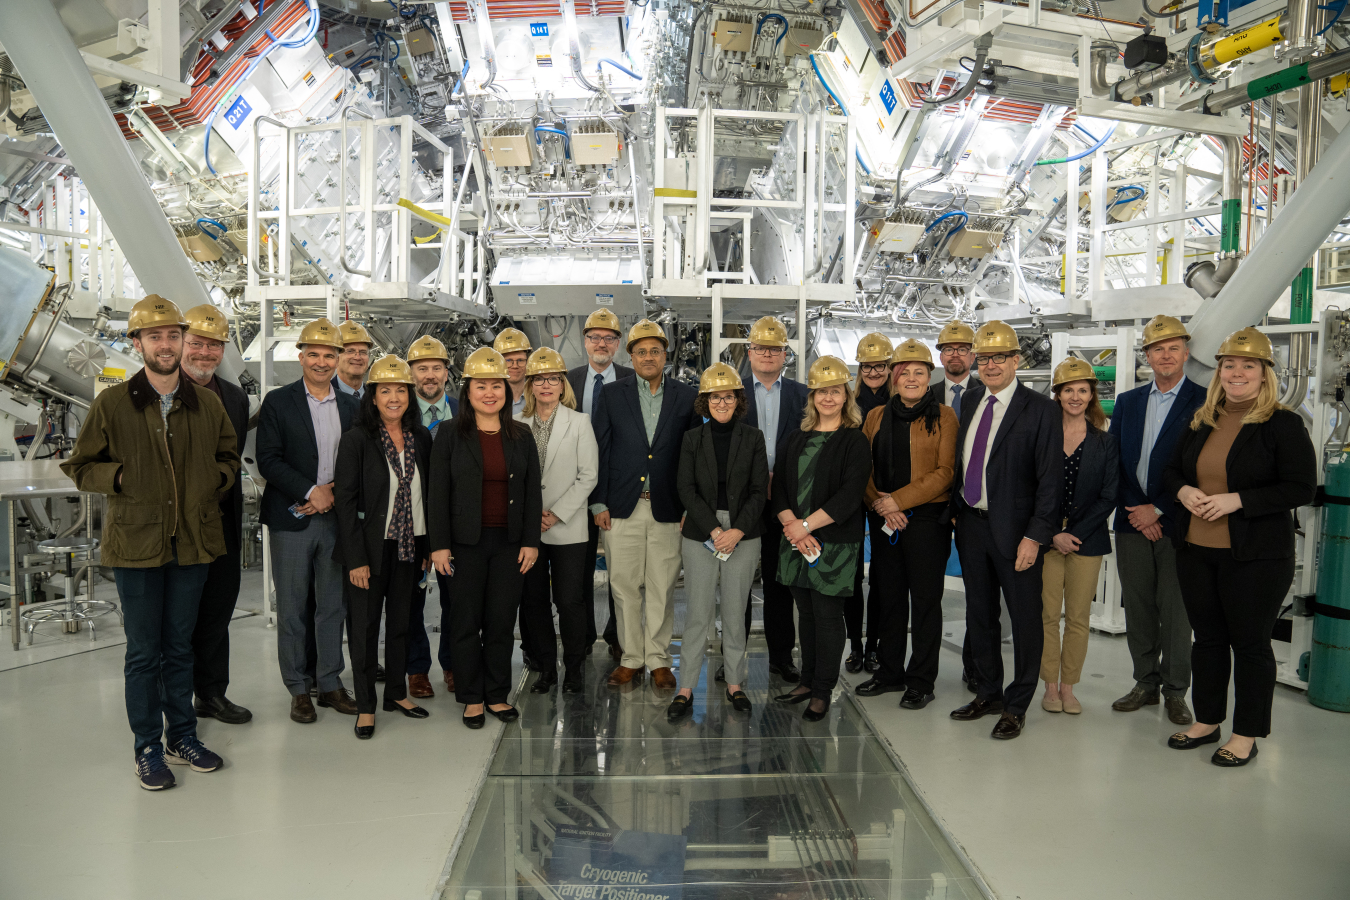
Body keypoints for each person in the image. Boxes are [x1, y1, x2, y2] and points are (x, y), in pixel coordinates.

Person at [62, 295, 239, 790]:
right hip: (137, 545)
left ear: (183, 342)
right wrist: (120, 478)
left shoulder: (205, 403)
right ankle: (145, 748)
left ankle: (181, 737)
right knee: (144, 652)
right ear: (136, 343)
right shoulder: (113, 402)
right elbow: (80, 466)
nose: (166, 344)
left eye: (173, 335)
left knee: (180, 647)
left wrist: (214, 481)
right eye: (155, 336)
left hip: (192, 545)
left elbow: (229, 456)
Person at [1162, 327, 1315, 767]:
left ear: (1266, 374)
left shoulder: (1282, 423)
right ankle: (1207, 721)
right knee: (1207, 640)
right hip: (1196, 548)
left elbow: (1301, 487)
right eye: (1229, 365)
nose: (1237, 372)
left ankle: (1246, 733)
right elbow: (1171, 471)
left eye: (1248, 365)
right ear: (1219, 372)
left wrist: (1239, 500)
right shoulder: (1203, 417)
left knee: (1249, 644)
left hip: (1255, 556)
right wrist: (1184, 492)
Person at [949, 321, 1061, 741]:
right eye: (984, 358)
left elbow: (1050, 482)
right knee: (979, 615)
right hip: (973, 528)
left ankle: (1017, 705)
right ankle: (989, 692)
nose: (991, 365)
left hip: (1017, 535)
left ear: (1017, 360)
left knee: (1025, 620)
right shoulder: (974, 398)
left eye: (1000, 357)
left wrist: (1035, 537)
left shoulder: (1041, 409)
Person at [428, 347, 542, 729]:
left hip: (509, 544)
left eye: (497, 385)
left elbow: (531, 493)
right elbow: (437, 492)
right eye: (481, 385)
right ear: (468, 390)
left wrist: (530, 541)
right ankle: (471, 697)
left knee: (499, 621)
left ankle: (496, 695)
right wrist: (439, 544)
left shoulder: (521, 435)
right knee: (464, 621)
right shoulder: (448, 434)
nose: (490, 392)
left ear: (507, 391)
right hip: (464, 545)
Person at [257, 318, 361, 724]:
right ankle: (298, 689)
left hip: (337, 519)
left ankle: (330, 682)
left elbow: (359, 461)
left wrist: (331, 492)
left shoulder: (352, 406)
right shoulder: (279, 402)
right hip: (293, 520)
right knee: (293, 607)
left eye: (329, 355)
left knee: (333, 606)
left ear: (339, 359)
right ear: (300, 356)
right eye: (314, 354)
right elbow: (269, 458)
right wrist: (310, 491)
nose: (321, 362)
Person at [591, 319, 699, 689]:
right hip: (622, 506)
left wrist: (690, 506)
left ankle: (658, 660)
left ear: (665, 355)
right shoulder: (612, 395)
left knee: (662, 587)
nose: (648, 357)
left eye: (655, 350)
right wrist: (598, 501)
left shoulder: (686, 397)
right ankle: (631, 658)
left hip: (668, 507)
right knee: (622, 586)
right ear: (630, 355)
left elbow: (693, 454)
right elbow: (601, 450)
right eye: (641, 351)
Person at [1109, 315, 1206, 725]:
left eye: (1172, 348)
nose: (1164, 355)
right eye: (1156, 349)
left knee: (1176, 610)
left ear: (1185, 353)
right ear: (1146, 356)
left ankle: (1175, 691)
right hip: (1132, 519)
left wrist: (1160, 509)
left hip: (1179, 521)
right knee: (1140, 608)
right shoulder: (1129, 402)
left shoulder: (1204, 401)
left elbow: (1201, 467)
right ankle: (1145, 683)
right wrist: (1137, 509)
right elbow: (1114, 461)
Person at [333, 356, 433, 739]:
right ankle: (366, 706)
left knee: (402, 624)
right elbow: (345, 501)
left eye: (401, 390)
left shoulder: (419, 438)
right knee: (364, 628)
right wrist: (356, 559)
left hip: (409, 546)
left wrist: (427, 544)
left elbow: (428, 495)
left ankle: (395, 694)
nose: (394, 398)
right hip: (369, 551)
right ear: (372, 397)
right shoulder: (357, 439)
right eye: (385, 390)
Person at [855, 340, 958, 710]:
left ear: (929, 377)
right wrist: (882, 505)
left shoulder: (944, 416)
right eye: (904, 372)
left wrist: (899, 500)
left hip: (927, 521)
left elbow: (946, 472)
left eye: (919, 372)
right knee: (890, 600)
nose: (911, 378)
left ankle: (921, 680)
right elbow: (861, 467)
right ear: (894, 379)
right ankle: (889, 672)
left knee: (926, 602)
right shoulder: (876, 416)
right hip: (884, 519)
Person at [771, 356, 872, 722]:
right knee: (807, 615)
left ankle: (823, 690)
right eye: (821, 392)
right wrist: (792, 527)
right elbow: (779, 487)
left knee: (829, 617)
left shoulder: (854, 442)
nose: (827, 398)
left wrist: (805, 527)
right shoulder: (796, 438)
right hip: (795, 540)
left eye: (835, 391)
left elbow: (849, 496)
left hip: (834, 543)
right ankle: (808, 680)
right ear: (811, 397)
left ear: (846, 396)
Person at [669, 363, 768, 721]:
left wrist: (737, 530)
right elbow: (686, 488)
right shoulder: (692, 439)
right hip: (701, 533)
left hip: (743, 532)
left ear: (738, 400)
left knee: (734, 613)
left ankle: (735, 683)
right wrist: (714, 530)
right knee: (697, 613)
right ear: (704, 401)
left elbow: (759, 491)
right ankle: (686, 688)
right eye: (715, 397)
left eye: (728, 397)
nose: (722, 403)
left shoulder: (753, 438)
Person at [178, 304, 252, 726]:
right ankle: (174, 701)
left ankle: (211, 694)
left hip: (222, 522)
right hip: (177, 525)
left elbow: (231, 458)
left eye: (214, 345)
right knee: (178, 617)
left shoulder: (235, 397)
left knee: (217, 610)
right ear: (182, 343)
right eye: (198, 343)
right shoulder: (160, 391)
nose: (205, 353)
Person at [516, 347, 599, 695]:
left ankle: (575, 671)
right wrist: (531, 517)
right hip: (529, 531)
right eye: (539, 379)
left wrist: (556, 513)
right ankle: (546, 669)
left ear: (562, 384)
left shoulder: (579, 422)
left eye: (553, 379)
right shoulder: (517, 424)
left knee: (570, 601)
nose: (546, 385)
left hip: (567, 527)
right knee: (534, 603)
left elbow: (588, 475)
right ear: (530, 385)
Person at [1040, 359, 1119, 715]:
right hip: (1046, 539)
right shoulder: (1042, 437)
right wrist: (1054, 532)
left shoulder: (1105, 443)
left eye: (1082, 390)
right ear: (1057, 395)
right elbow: (1030, 489)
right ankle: (1050, 686)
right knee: (1045, 616)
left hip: (1087, 541)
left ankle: (1069, 688)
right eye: (1068, 390)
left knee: (1077, 618)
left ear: (1091, 396)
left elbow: (1109, 494)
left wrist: (1073, 533)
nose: (1075, 396)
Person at [741, 315, 809, 683]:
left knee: (780, 584)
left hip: (788, 504)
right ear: (749, 352)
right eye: (761, 348)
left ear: (786, 354)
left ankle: (781, 658)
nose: (768, 354)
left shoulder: (804, 396)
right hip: (743, 505)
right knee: (737, 586)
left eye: (775, 349)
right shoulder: (730, 393)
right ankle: (733, 658)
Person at [566, 309, 634, 661]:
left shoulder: (632, 379)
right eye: (595, 337)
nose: (601, 343)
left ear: (618, 344)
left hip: (619, 488)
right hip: (574, 492)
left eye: (609, 338)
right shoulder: (568, 380)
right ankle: (583, 637)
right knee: (578, 572)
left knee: (621, 572)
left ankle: (616, 635)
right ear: (585, 341)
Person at [926, 320, 982, 690]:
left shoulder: (989, 391)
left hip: (975, 504)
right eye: (948, 349)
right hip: (931, 504)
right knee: (928, 590)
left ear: (973, 354)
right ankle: (922, 669)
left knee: (979, 591)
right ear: (939, 355)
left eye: (962, 348)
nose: (955, 354)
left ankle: (975, 666)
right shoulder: (923, 393)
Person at [404, 335, 460, 699]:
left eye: (436, 368)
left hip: (458, 523)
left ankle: (454, 663)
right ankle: (417, 669)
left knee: (457, 598)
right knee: (411, 598)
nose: (430, 375)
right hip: (410, 523)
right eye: (422, 368)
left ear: (446, 372)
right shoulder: (396, 413)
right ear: (411, 373)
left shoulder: (465, 410)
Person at [846, 331, 893, 674]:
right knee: (851, 577)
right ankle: (856, 646)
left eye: (880, 366)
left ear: (890, 367)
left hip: (885, 498)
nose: (874, 372)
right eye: (868, 366)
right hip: (852, 495)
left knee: (881, 577)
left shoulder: (900, 400)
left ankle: (875, 645)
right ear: (859, 368)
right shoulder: (847, 401)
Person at [495, 327, 533, 417]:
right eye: (508, 360)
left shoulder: (539, 397)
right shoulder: (489, 399)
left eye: (520, 360)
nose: (515, 366)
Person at [334, 320, 374, 399]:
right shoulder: (321, 395)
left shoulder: (376, 397)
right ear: (336, 357)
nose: (357, 357)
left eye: (363, 352)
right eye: (350, 351)